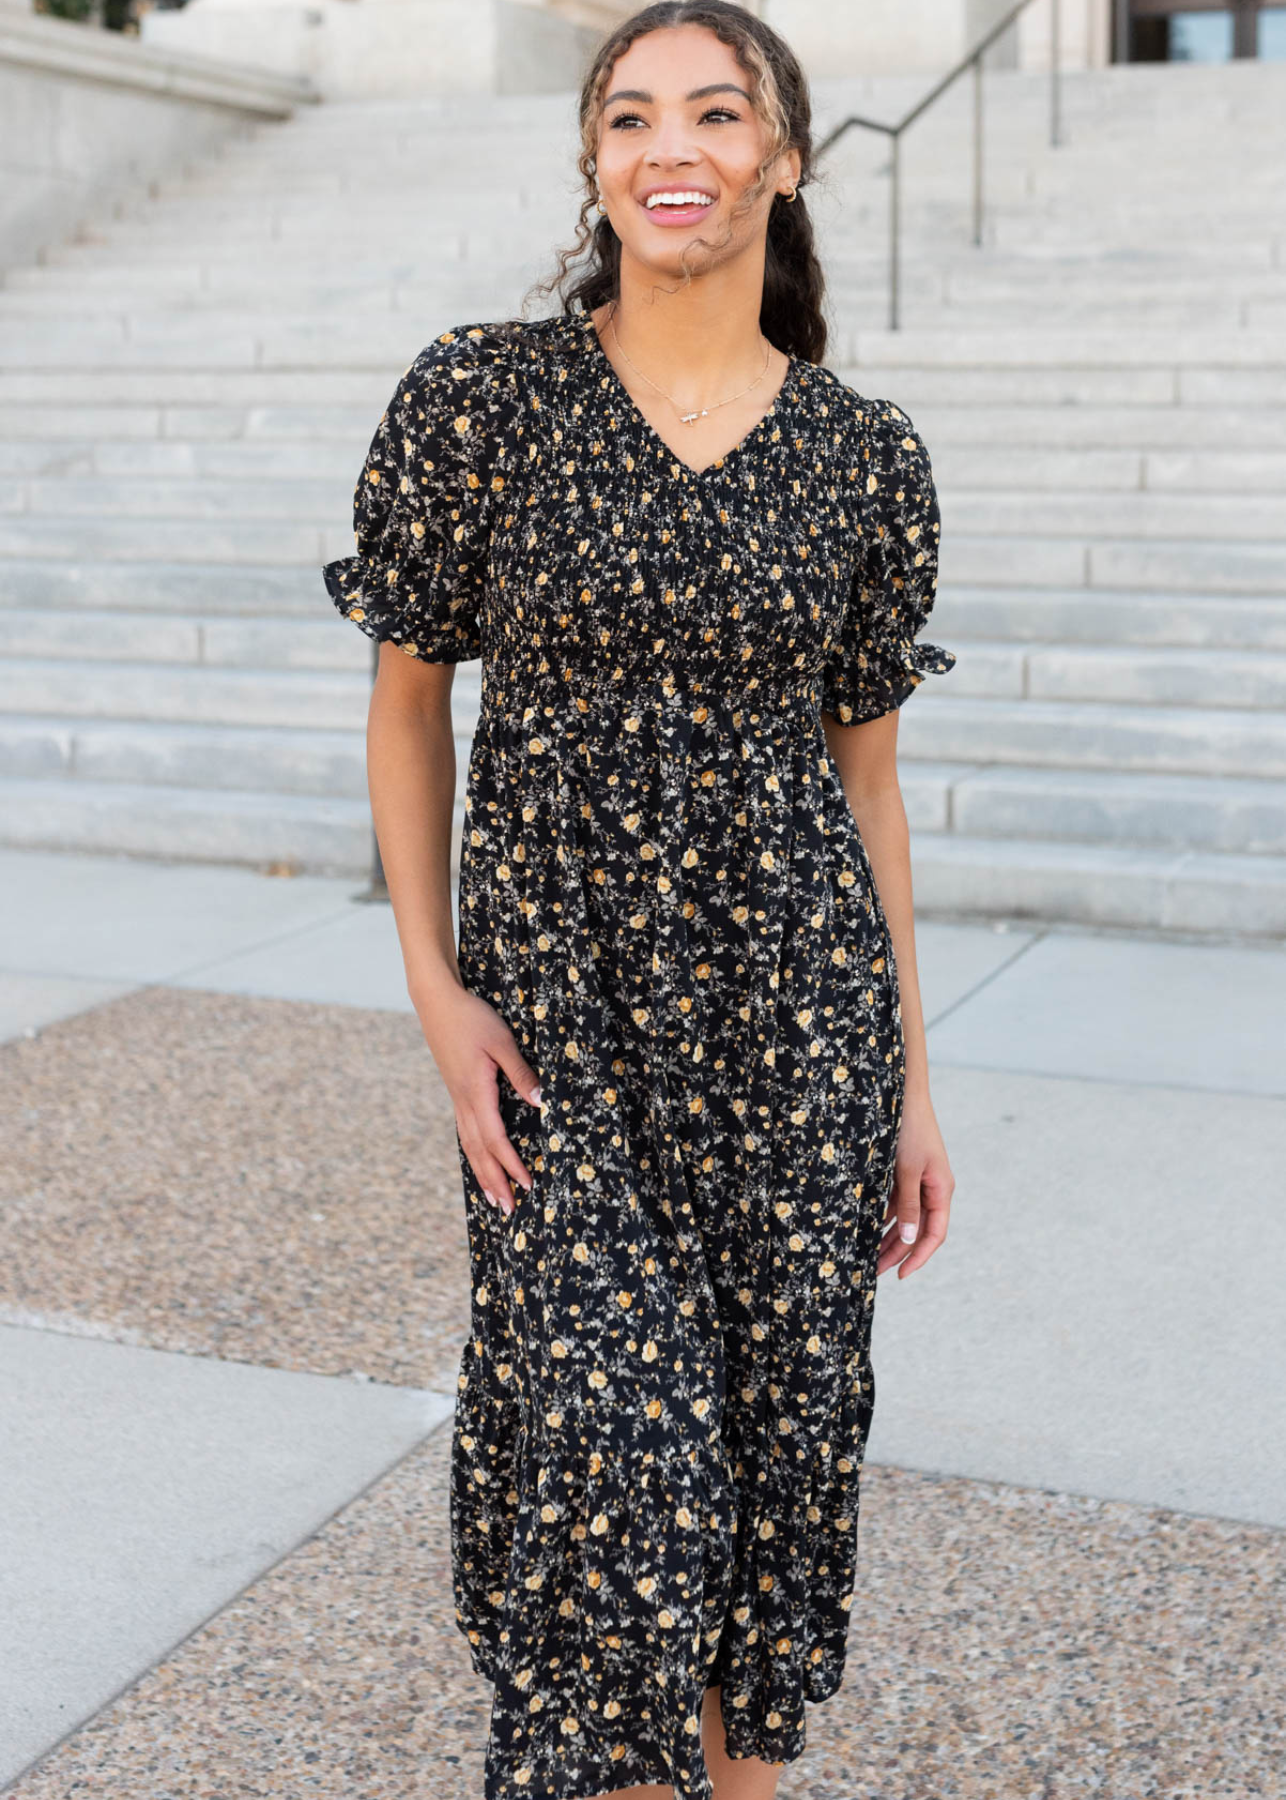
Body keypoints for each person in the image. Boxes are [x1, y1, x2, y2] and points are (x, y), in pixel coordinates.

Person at [322, 5, 957, 1797]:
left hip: (796, 1025)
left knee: (770, 1454)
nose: (665, 146)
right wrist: (440, 994)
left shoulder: (865, 457)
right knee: (612, 1449)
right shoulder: (483, 396)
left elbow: (871, 788)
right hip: (560, 1017)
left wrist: (909, 1081)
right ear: (595, 162)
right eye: (627, 118)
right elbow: (404, 707)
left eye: (711, 112)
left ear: (784, 156)